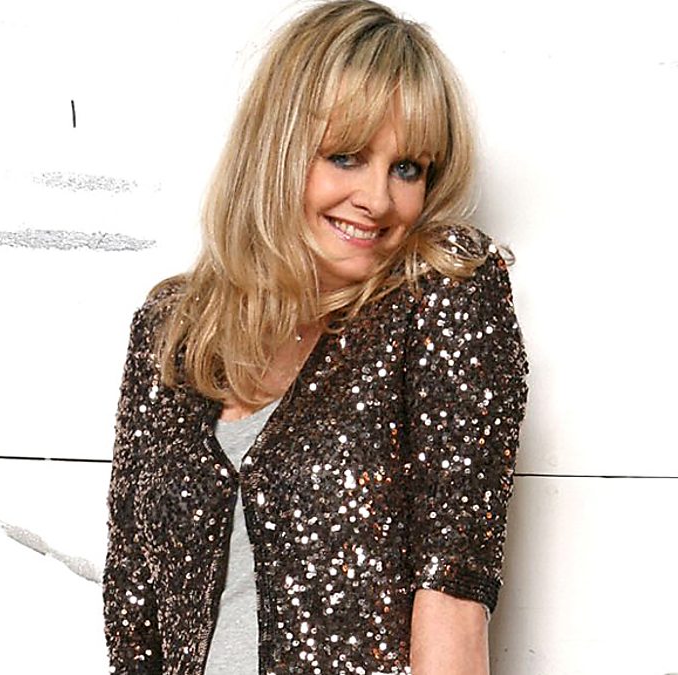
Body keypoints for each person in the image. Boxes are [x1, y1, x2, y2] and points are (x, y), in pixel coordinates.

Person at [102, 1, 529, 674]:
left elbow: (453, 593)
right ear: (275, 149)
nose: (378, 199)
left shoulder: (438, 296)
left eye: (408, 168)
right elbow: (133, 614)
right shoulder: (173, 330)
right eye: (346, 157)